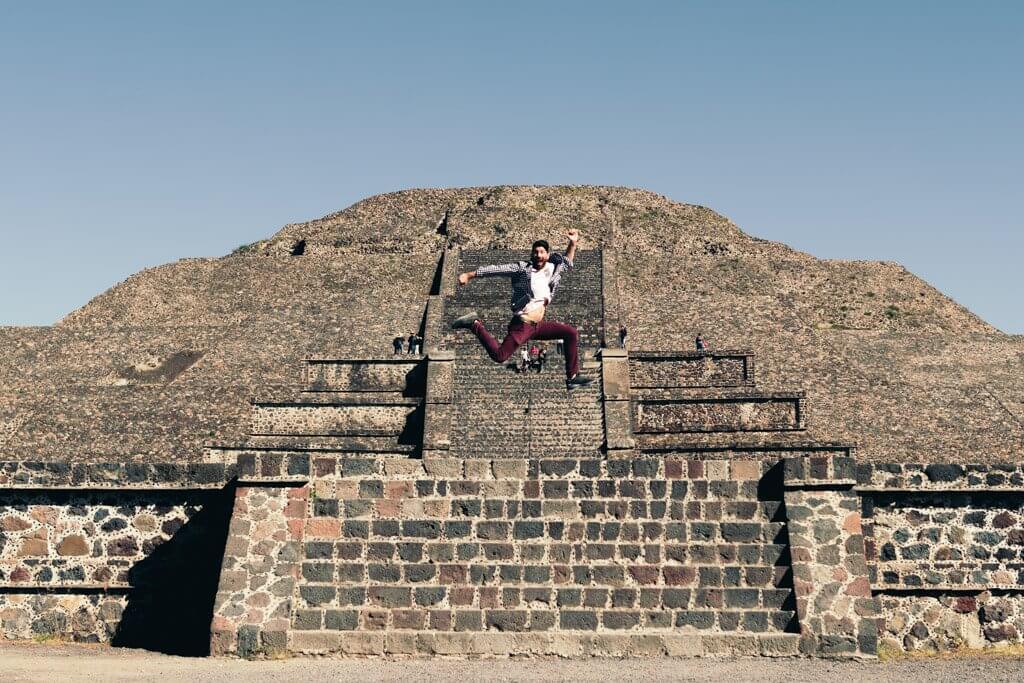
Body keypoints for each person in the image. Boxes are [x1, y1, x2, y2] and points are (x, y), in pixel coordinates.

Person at [451, 229, 595, 390]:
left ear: (547, 255)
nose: (538, 255)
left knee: (571, 333)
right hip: (523, 325)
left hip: (537, 326)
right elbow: (496, 269)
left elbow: (567, 261)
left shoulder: (553, 268)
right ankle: (474, 324)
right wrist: (470, 275)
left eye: (541, 252)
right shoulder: (522, 269)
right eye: (535, 252)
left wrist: (573, 243)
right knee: (500, 356)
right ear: (532, 255)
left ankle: (572, 377)